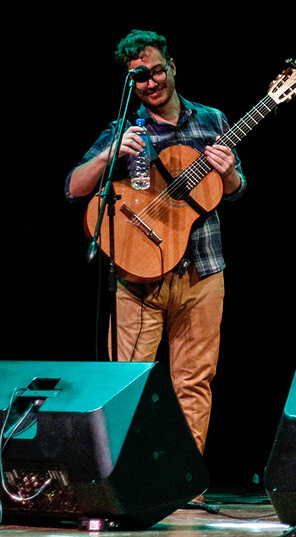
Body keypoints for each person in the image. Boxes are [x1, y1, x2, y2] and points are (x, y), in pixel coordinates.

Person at [66, 29, 246, 457]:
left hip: (202, 272)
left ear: (173, 66)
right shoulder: (124, 130)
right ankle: (128, 479)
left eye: (157, 70)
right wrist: (110, 155)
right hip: (138, 279)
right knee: (128, 382)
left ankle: (185, 485)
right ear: (131, 81)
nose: (152, 82)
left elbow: (238, 190)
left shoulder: (213, 121)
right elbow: (73, 188)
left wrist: (228, 172)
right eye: (140, 76)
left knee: (194, 382)